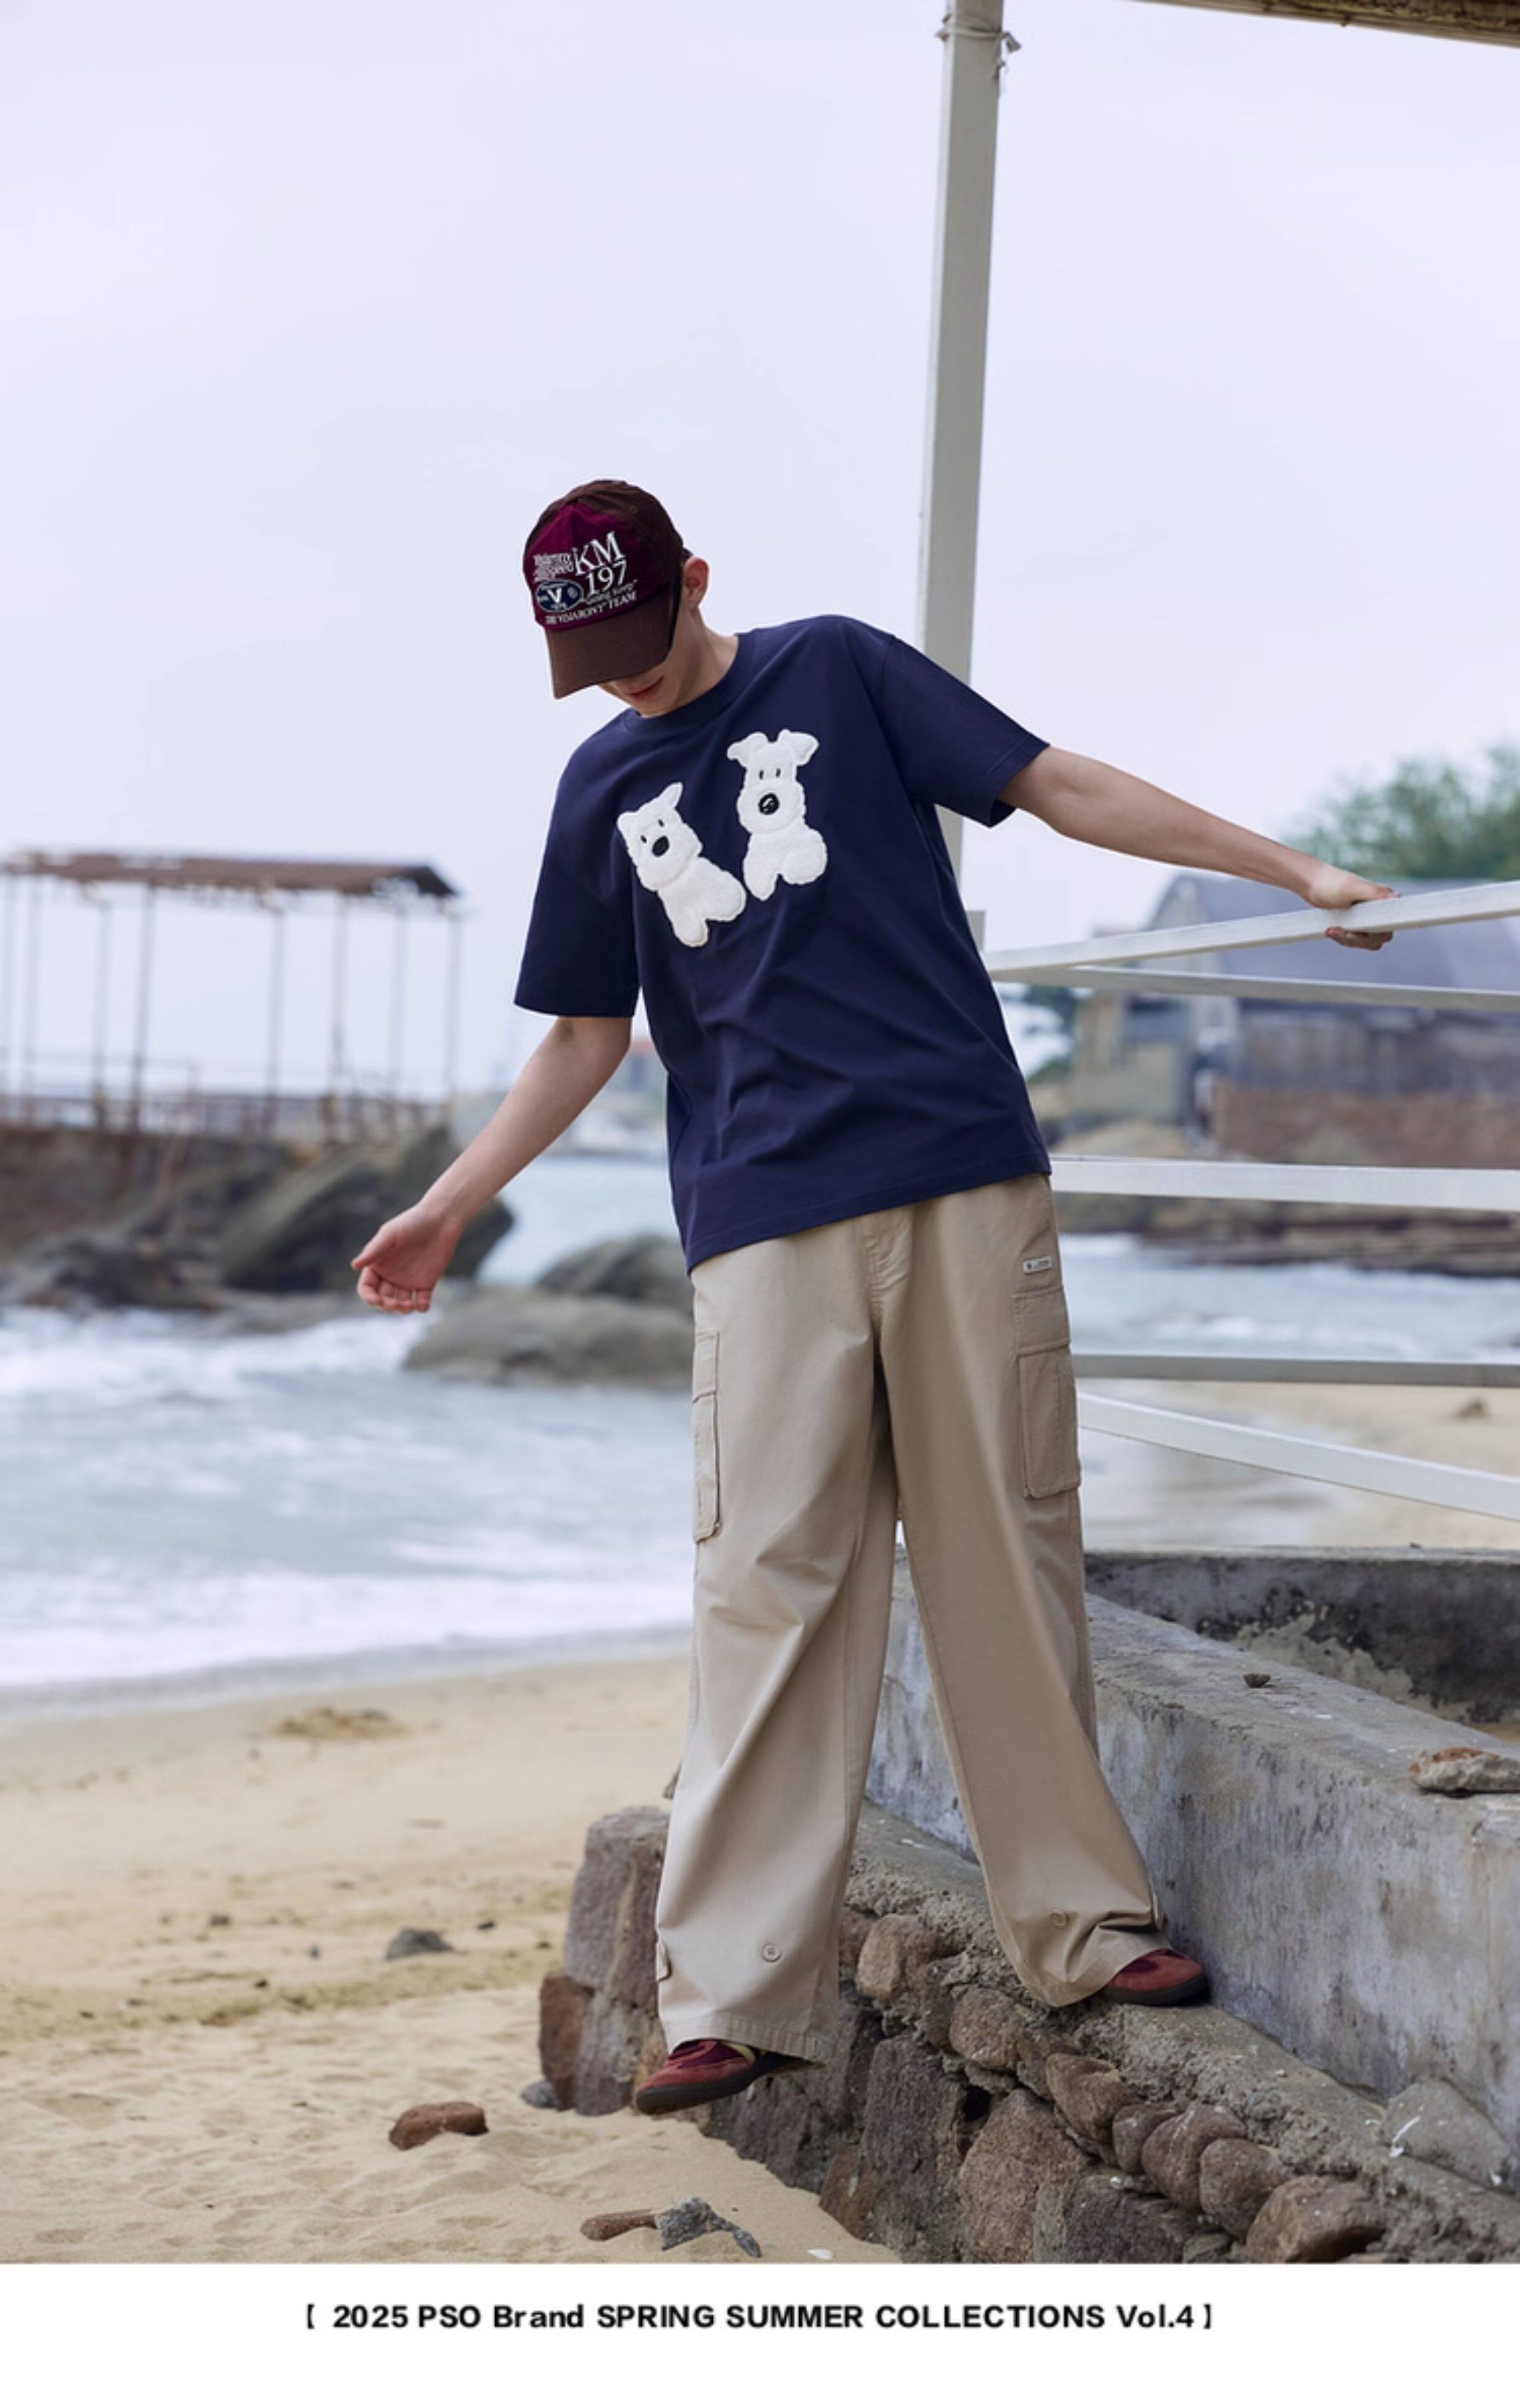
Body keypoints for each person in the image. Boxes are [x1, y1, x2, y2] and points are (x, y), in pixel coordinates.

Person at [351, 478, 1396, 2119]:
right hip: (760, 1218)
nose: (625, 672)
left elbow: (1056, 782)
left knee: (1003, 1554)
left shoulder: (839, 668)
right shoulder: (601, 782)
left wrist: (1289, 871)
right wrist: (449, 1201)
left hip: (959, 1168)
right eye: (590, 654)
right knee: (762, 1587)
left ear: (697, 577)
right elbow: (584, 1035)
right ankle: (732, 1994)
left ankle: (1083, 1926)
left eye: (639, 633)